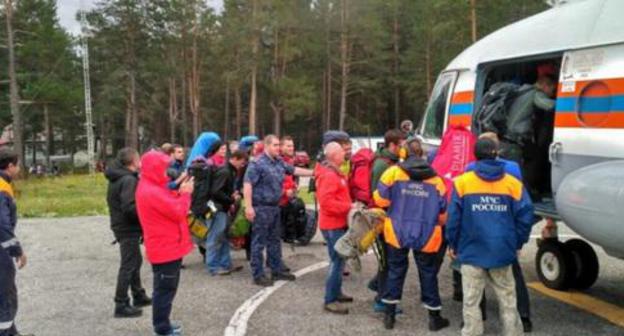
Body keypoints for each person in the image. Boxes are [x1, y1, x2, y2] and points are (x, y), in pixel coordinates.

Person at [446, 138, 534, 336]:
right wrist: (518, 242)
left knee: (471, 300)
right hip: (502, 250)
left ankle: (472, 332)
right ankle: (512, 332)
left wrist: (453, 243)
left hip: (471, 250)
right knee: (508, 298)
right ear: (496, 154)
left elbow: (453, 219)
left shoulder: (462, 183)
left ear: (475, 156)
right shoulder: (513, 184)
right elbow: (526, 216)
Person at [373, 137, 450, 331]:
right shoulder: (436, 179)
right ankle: (434, 318)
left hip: (397, 230)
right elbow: (443, 213)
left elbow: (380, 200)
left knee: (395, 270)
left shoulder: (393, 173)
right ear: (423, 154)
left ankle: (389, 316)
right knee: (428, 273)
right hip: (427, 232)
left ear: (403, 153)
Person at [136, 150, 195, 336]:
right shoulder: (150, 190)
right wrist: (185, 194)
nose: (166, 172)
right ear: (154, 169)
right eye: (162, 168)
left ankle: (164, 323)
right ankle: (162, 328)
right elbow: (177, 211)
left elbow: (168, 198)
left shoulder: (152, 185)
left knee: (166, 289)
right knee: (164, 291)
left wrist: (179, 188)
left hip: (167, 246)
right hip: (165, 248)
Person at [243, 135, 313, 287]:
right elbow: (247, 185)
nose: (278, 148)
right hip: (261, 207)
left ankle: (276, 269)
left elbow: (294, 170)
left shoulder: (279, 162)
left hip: (275, 207)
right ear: (267, 146)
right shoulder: (257, 164)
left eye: (278, 145)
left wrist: (315, 172)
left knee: (274, 240)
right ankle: (258, 274)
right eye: (275, 145)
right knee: (258, 242)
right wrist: (248, 207)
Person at [105, 148, 151, 318]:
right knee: (129, 264)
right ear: (133, 161)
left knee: (135, 261)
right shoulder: (128, 180)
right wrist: (146, 214)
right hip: (127, 227)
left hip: (122, 226)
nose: (141, 161)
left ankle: (138, 294)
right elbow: (129, 207)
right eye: (139, 158)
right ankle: (121, 302)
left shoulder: (119, 177)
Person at [368, 129, 406, 312]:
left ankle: (378, 286)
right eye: (402, 145)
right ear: (393, 145)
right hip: (382, 219)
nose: (404, 148)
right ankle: (382, 300)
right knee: (387, 261)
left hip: (388, 217)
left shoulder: (391, 162)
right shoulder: (383, 166)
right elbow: (377, 196)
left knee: (388, 260)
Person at [315, 142, 353, 315]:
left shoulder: (333, 172)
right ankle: (330, 300)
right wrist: (349, 207)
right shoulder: (330, 175)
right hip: (332, 225)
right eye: (342, 152)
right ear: (334, 156)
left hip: (336, 224)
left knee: (338, 260)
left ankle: (336, 293)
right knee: (337, 262)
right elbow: (327, 203)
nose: (345, 154)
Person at [0, 149, 33, 336]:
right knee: (5, 296)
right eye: (18, 164)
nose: (19, 168)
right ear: (10, 166)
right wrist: (16, 250)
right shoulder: (2, 187)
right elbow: (2, 226)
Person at [206, 150, 248, 275]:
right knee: (214, 238)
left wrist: (231, 194)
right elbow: (215, 192)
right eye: (242, 162)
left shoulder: (228, 171)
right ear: (235, 158)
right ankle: (213, 267)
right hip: (216, 209)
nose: (242, 165)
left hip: (221, 209)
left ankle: (225, 264)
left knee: (224, 238)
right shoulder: (225, 172)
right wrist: (231, 199)